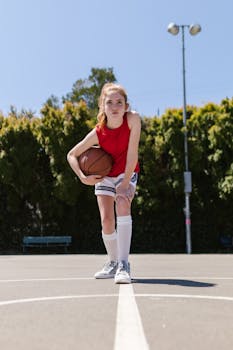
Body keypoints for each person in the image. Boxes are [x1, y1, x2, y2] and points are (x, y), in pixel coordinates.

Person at [67, 83, 141, 284]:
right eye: (110, 102)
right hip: (105, 175)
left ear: (126, 106)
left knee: (124, 204)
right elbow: (72, 155)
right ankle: (112, 262)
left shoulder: (133, 120)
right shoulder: (98, 132)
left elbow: (133, 153)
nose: (115, 106)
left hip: (126, 170)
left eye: (119, 102)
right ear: (103, 106)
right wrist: (83, 177)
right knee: (107, 221)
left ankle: (124, 265)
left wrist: (125, 183)